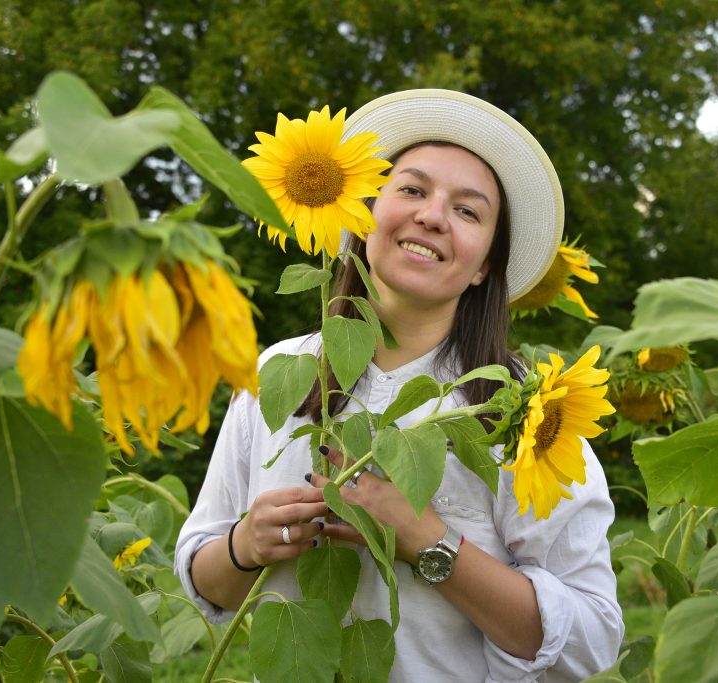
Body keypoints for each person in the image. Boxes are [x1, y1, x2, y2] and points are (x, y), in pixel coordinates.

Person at [175, 89, 624, 682]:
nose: (433, 216)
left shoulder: (522, 415)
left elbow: (593, 638)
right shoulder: (276, 376)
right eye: (411, 190)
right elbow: (204, 578)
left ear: (486, 263)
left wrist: (426, 541)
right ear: (362, 212)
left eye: (468, 211)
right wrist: (245, 545)